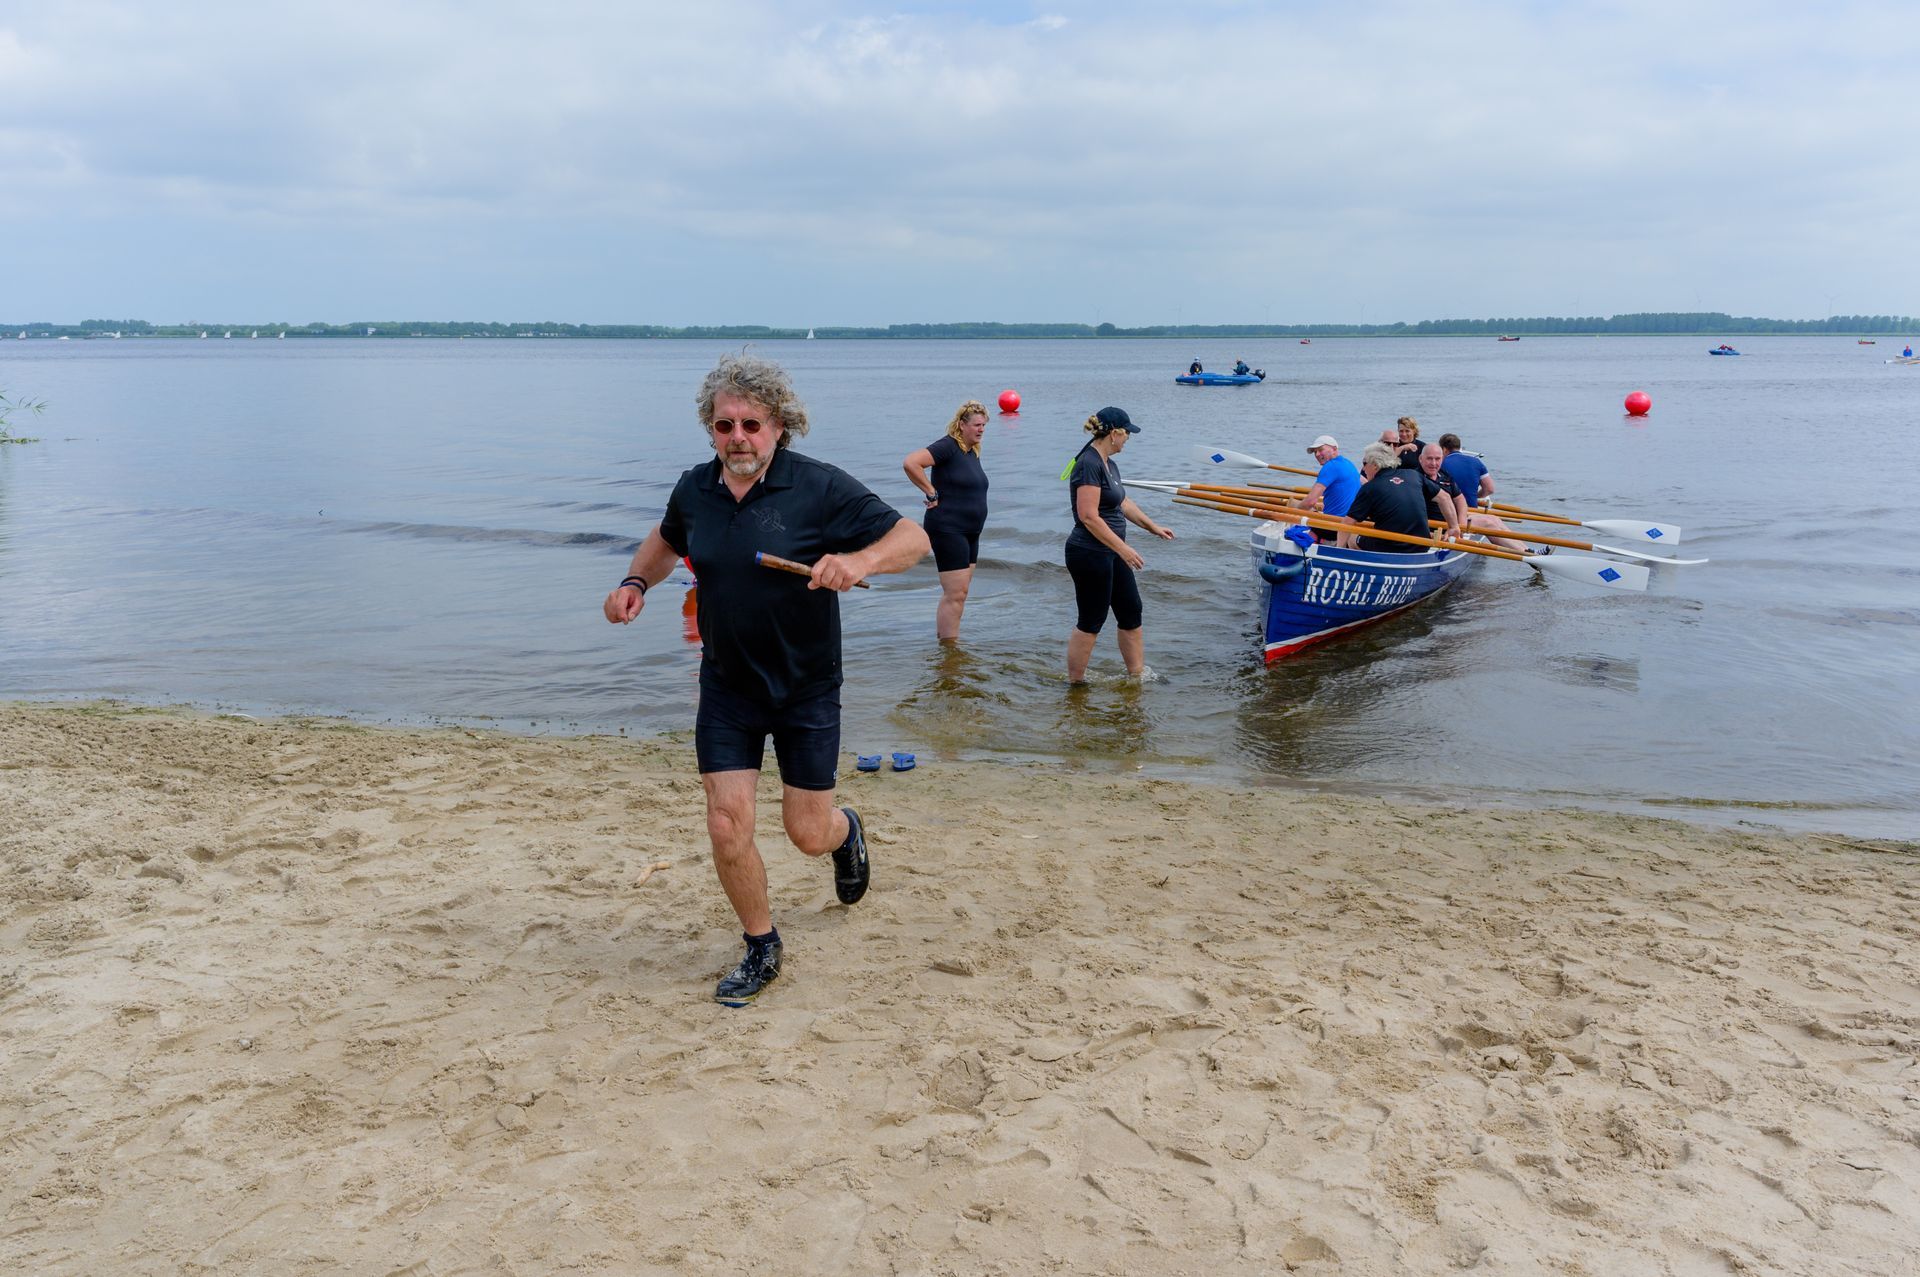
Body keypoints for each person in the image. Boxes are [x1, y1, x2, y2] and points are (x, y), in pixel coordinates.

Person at [602, 353, 930, 1007]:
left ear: (779, 425)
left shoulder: (819, 486)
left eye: (751, 424)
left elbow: (913, 538)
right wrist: (636, 581)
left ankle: (846, 831)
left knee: (806, 831)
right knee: (727, 823)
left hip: (807, 687)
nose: (739, 438)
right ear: (711, 428)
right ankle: (761, 944)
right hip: (727, 687)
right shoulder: (695, 488)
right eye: (725, 425)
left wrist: (859, 560)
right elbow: (667, 540)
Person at [1064, 407, 1174, 683]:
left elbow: (1122, 502)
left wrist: (1152, 526)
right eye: (1127, 434)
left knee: (1131, 611)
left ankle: (1137, 677)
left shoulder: (1108, 464)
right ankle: (1075, 684)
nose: (1128, 439)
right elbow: (1088, 516)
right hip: (1089, 552)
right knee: (1092, 620)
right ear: (1114, 433)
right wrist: (1123, 549)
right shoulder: (1088, 464)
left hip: (1111, 551)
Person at [902, 399, 989, 642]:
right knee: (955, 593)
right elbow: (911, 463)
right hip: (949, 528)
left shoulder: (971, 451)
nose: (981, 429)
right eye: (977, 425)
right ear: (961, 424)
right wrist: (931, 492)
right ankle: (948, 648)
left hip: (971, 531)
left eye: (984, 425)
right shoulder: (948, 446)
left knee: (961, 593)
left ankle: (952, 643)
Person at [1335, 444, 1441, 552]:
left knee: (1351, 537)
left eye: (1364, 463)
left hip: (1390, 547)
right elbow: (1444, 498)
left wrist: (1338, 550)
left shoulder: (1370, 487)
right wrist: (1451, 527)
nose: (1363, 468)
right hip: (1421, 545)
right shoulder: (1413, 475)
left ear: (1375, 465)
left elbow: (1347, 523)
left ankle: (1355, 560)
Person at [1301, 434, 1361, 542]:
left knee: (1300, 508)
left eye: (1320, 450)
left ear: (1334, 449)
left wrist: (1293, 512)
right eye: (1315, 452)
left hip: (1334, 527)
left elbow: (1310, 501)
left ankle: (1312, 540)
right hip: (1351, 523)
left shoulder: (1330, 466)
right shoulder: (1349, 464)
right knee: (1313, 511)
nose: (1317, 454)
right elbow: (1365, 483)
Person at [1438, 433, 1494, 509]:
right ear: (1459, 447)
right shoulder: (1476, 461)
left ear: (1444, 449)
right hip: (1472, 510)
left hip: (1448, 511)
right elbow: (1489, 489)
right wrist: (1475, 496)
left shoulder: (1439, 464)